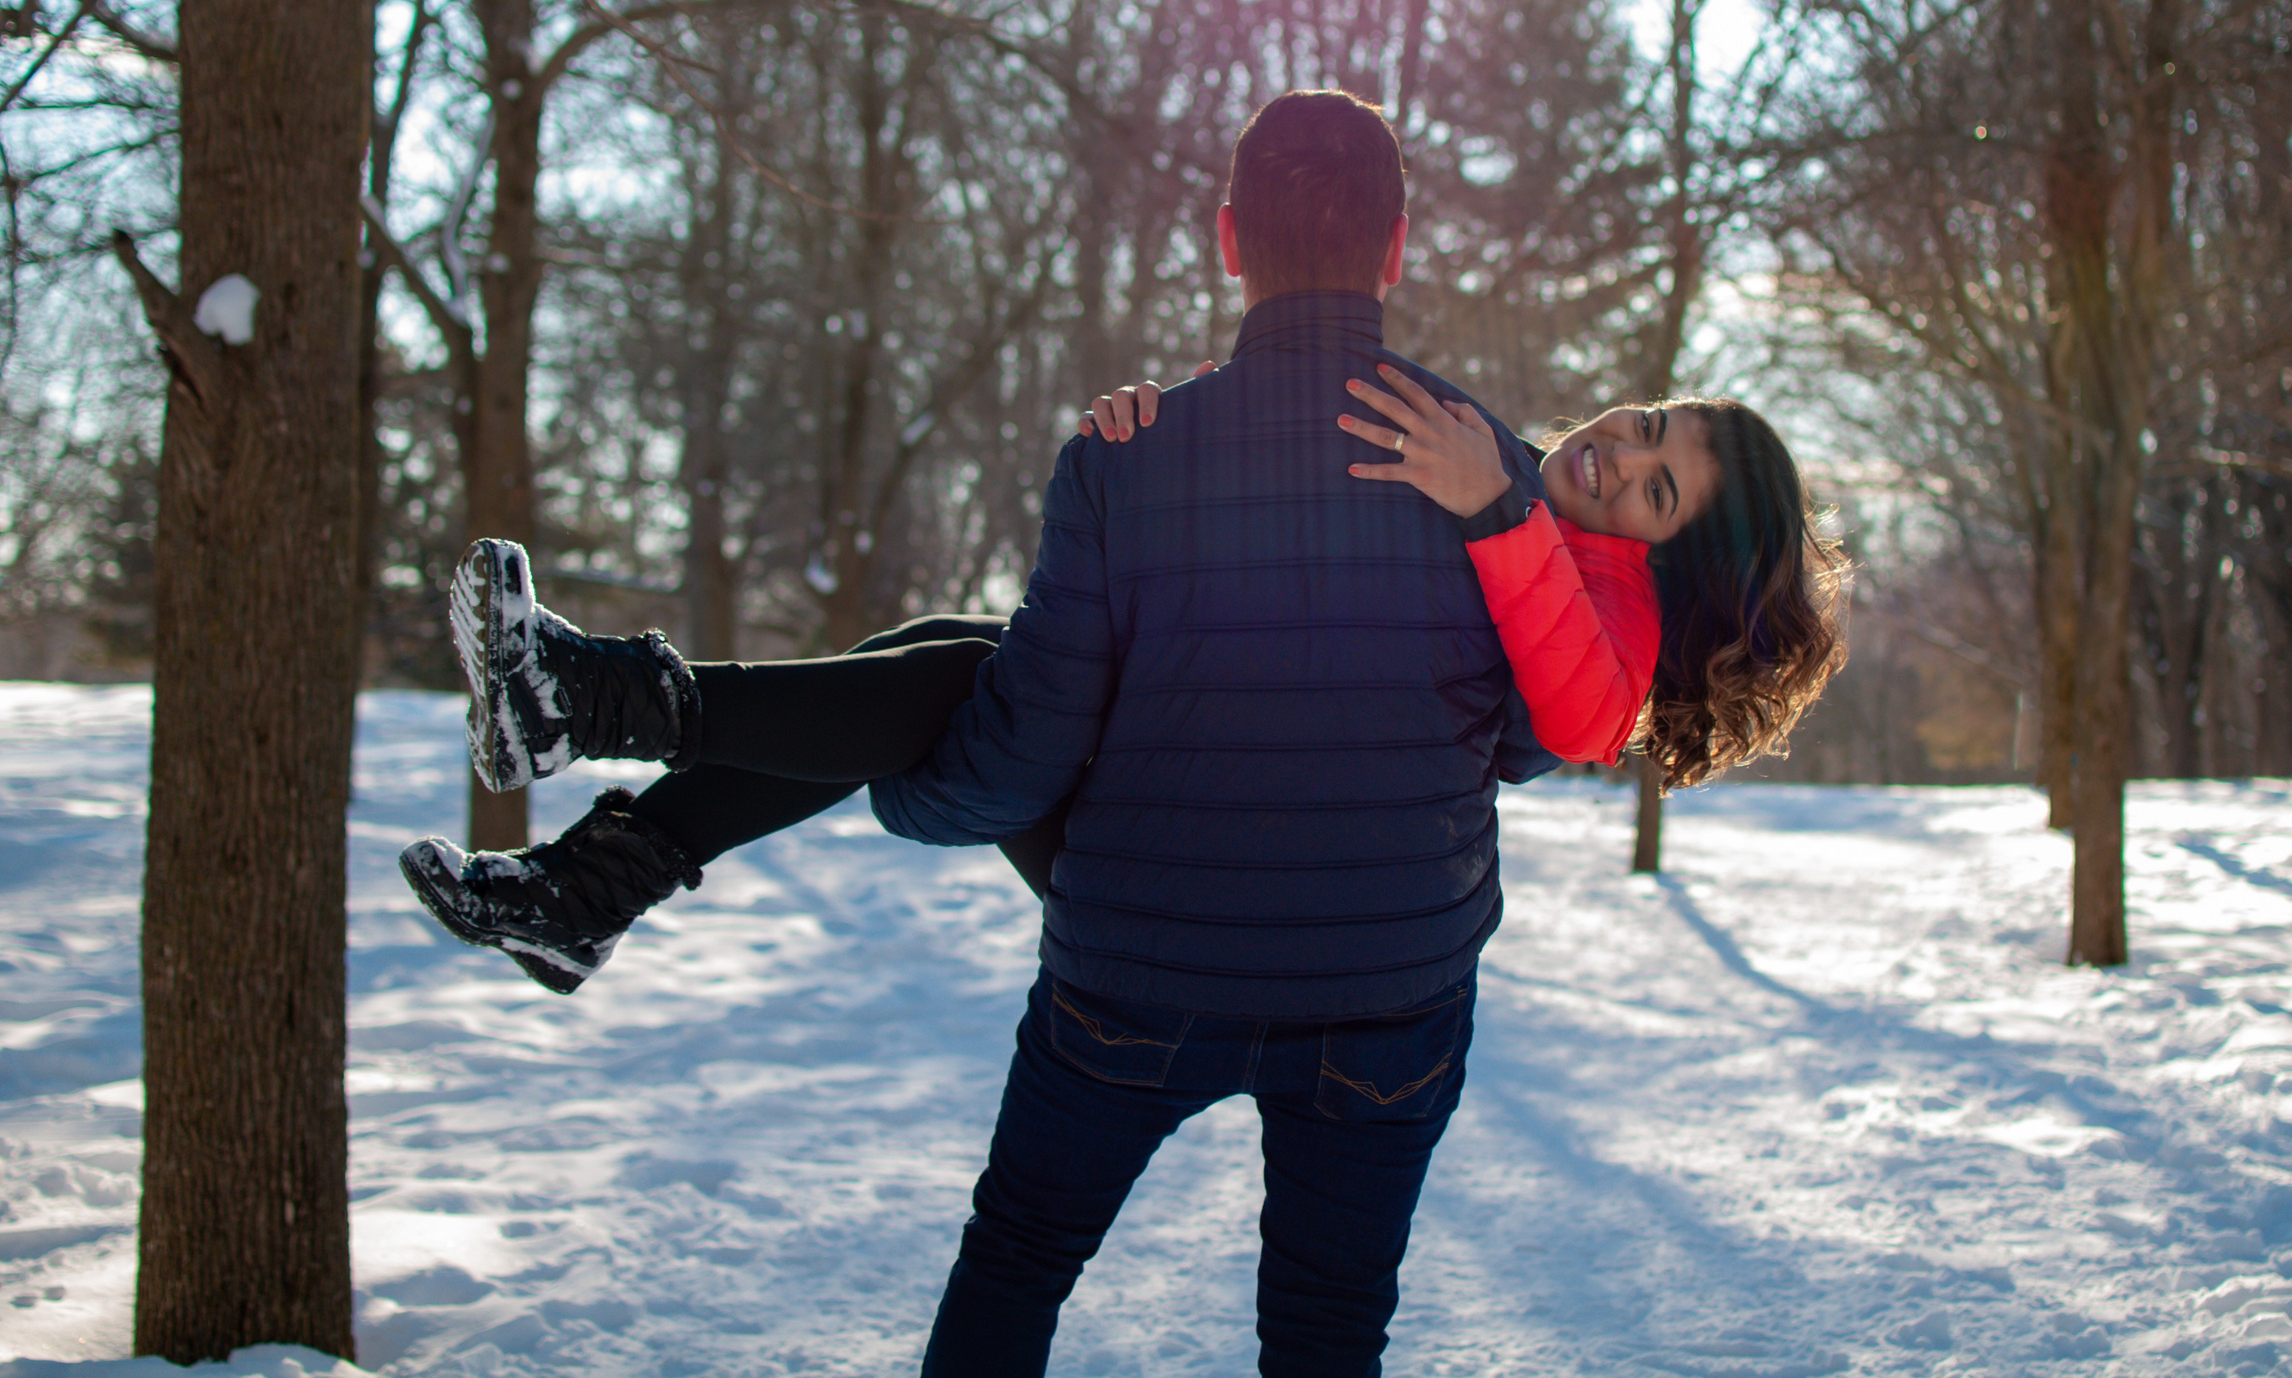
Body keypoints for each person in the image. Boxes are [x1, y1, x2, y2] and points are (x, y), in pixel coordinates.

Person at [400, 89, 1844, 1374]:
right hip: (1385, 992)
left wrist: (921, 770)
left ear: (1228, 240)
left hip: (1147, 952)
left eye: (1658, 482)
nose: (1624, 448)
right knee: (1327, 1334)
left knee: (1017, 1245)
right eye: (1649, 421)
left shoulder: (1519, 536)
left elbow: (1035, 755)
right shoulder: (1482, 464)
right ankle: (604, 836)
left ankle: (610, 791)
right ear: (1396, 257)